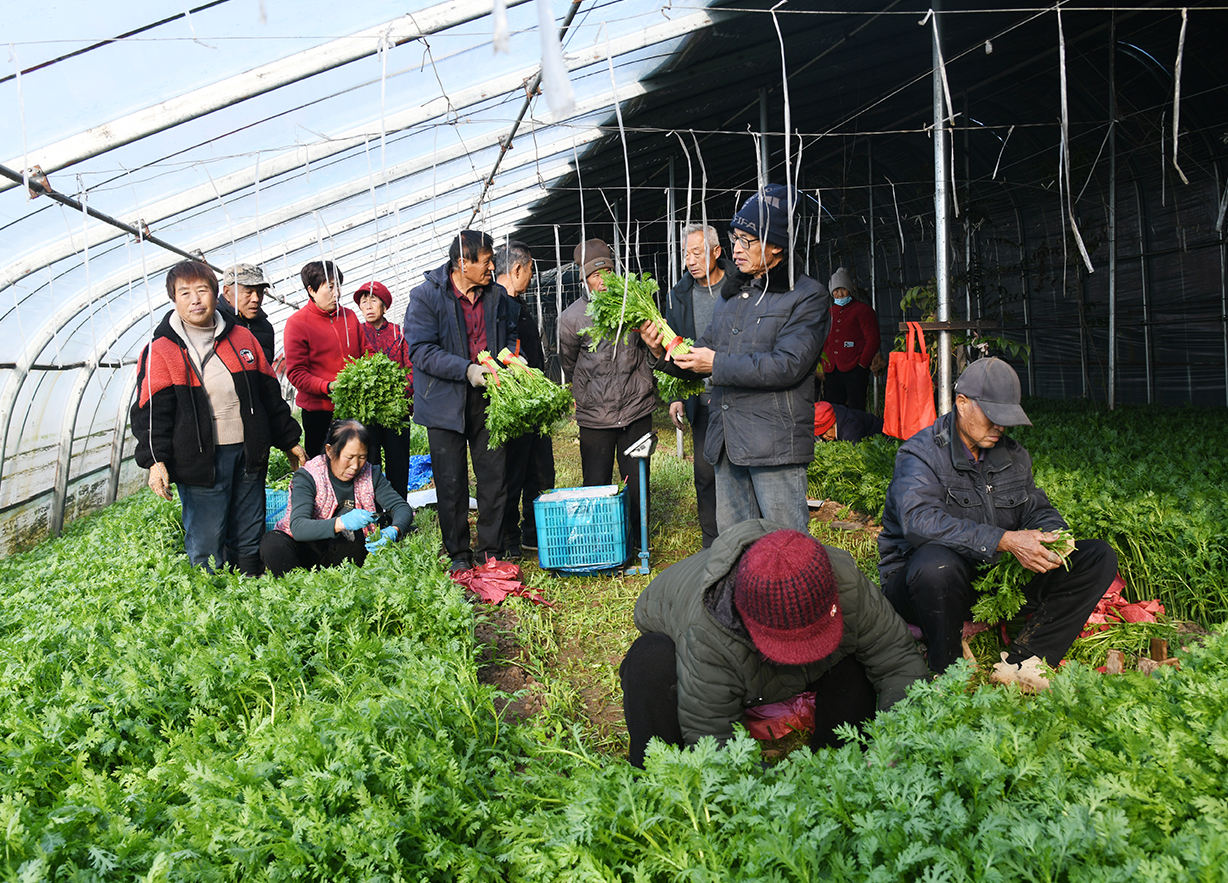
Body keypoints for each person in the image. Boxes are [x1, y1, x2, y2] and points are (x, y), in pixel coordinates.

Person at [878, 358, 1118, 687]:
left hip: (993, 585)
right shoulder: (920, 455)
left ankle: (1027, 658)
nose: (999, 428)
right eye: (992, 417)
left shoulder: (1013, 455)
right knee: (936, 565)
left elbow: (1034, 506)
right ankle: (948, 668)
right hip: (926, 588)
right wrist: (1004, 540)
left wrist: (1052, 538)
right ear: (961, 403)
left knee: (1097, 557)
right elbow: (919, 522)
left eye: (1006, 419)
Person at [621, 520, 929, 768]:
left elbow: (898, 661)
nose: (799, 656)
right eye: (789, 647)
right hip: (691, 644)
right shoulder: (707, 629)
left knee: (856, 665)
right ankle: (652, 775)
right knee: (649, 662)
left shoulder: (844, 579)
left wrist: (896, 740)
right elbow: (710, 733)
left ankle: (841, 764)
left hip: (790, 671)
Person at [643, 184, 830, 534]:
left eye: (748, 240)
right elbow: (701, 352)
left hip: (773, 446)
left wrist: (716, 364)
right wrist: (661, 351)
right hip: (728, 442)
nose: (736, 249)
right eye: (735, 238)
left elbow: (787, 365)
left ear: (776, 246)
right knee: (735, 544)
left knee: (784, 545)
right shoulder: (734, 295)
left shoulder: (807, 297)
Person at [132, 260, 306, 575]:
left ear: (216, 294)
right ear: (174, 299)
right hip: (199, 459)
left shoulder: (242, 338)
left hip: (249, 449)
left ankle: (250, 581)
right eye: (184, 293)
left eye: (202, 290)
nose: (195, 299)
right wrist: (155, 460)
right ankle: (212, 595)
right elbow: (152, 412)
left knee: (249, 525)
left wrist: (289, 440)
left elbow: (269, 393)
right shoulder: (162, 349)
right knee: (207, 533)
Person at [404, 230, 520, 573]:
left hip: (489, 398)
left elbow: (511, 336)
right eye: (485, 262)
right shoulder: (426, 296)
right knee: (450, 481)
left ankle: (490, 550)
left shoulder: (496, 296)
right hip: (442, 403)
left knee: (494, 476)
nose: (491, 268)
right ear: (462, 262)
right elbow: (421, 351)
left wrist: (511, 361)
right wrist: (466, 369)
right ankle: (458, 553)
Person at [558, 239, 656, 554]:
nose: (602, 281)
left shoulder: (635, 307)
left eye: (608, 273)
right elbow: (568, 363)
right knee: (596, 483)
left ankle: (639, 542)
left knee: (637, 481)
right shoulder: (571, 318)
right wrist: (589, 390)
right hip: (594, 416)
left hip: (635, 408)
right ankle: (602, 544)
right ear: (584, 279)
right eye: (595, 275)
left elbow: (651, 352)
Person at [260, 419, 413, 576]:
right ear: (330, 450)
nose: (355, 466)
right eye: (349, 457)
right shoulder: (308, 476)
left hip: (341, 550)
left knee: (353, 538)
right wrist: (341, 522)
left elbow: (401, 507)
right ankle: (297, 584)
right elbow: (298, 527)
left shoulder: (370, 474)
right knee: (272, 544)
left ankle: (341, 581)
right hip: (306, 547)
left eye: (362, 457)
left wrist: (395, 530)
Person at [662, 224, 730, 549]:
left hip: (737, 393)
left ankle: (742, 540)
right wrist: (676, 396)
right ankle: (712, 545)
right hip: (700, 398)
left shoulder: (738, 287)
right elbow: (672, 350)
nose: (690, 260)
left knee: (737, 472)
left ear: (717, 252)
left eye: (697, 252)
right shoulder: (678, 296)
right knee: (704, 473)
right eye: (686, 254)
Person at [494, 240, 556, 558]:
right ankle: (508, 539)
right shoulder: (498, 307)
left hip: (534, 405)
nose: (531, 276)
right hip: (516, 405)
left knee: (541, 470)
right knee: (512, 472)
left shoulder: (518, 303)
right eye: (531, 269)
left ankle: (535, 533)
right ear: (517, 268)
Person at [284, 260, 364, 457]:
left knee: (355, 463)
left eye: (338, 286)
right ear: (311, 290)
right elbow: (296, 373)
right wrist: (327, 386)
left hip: (353, 407)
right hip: (319, 411)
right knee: (323, 467)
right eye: (330, 287)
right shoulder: (297, 323)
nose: (336, 293)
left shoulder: (349, 316)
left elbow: (366, 352)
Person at [355, 279, 415, 499]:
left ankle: (399, 510)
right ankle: (375, 511)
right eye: (363, 302)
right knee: (369, 463)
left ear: (385, 306)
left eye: (373, 300)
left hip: (397, 411)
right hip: (368, 413)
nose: (368, 306)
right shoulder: (357, 333)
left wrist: (400, 395)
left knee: (398, 461)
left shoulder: (399, 334)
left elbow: (411, 367)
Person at [820, 267, 880, 413]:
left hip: (855, 367)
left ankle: (857, 435)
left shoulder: (863, 310)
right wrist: (825, 363)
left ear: (850, 289)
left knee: (856, 406)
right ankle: (836, 435)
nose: (839, 294)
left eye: (843, 289)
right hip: (832, 368)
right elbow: (824, 340)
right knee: (834, 408)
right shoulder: (829, 313)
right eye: (836, 290)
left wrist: (862, 364)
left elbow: (873, 339)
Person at [218, 263, 276, 363]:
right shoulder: (215, 323)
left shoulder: (266, 328)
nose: (256, 299)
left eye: (260, 292)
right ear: (227, 292)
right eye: (248, 292)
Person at [814, 401, 884, 444]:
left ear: (832, 424)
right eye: (820, 434)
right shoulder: (830, 413)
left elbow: (853, 452)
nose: (824, 436)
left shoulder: (850, 430)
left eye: (824, 432)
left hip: (883, 434)